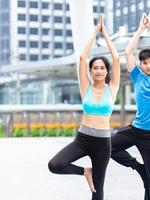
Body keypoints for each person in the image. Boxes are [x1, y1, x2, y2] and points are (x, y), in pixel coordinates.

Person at [48, 15, 120, 200]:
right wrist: (95, 32)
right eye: (95, 68)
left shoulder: (112, 89)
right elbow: (82, 57)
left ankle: (92, 177)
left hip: (103, 143)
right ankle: (85, 172)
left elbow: (117, 58)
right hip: (82, 139)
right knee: (55, 164)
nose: (98, 71)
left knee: (97, 190)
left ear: (106, 71)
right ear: (91, 71)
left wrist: (106, 36)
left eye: (102, 68)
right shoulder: (85, 87)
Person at [111, 14, 150, 200]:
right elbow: (128, 53)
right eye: (144, 63)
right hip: (137, 129)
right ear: (141, 64)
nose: (148, 65)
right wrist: (140, 30)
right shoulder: (137, 77)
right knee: (109, 146)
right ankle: (139, 168)